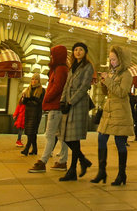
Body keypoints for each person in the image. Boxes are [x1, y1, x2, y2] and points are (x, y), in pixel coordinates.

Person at [91, 45, 133, 186]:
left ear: (121, 59)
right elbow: (107, 92)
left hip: (120, 112)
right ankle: (101, 171)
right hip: (109, 111)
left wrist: (108, 80)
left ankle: (122, 174)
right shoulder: (113, 73)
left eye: (114, 59)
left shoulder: (126, 75)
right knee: (101, 138)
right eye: (110, 59)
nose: (112, 62)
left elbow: (121, 93)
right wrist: (103, 82)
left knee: (120, 143)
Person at [29, 45, 70, 173]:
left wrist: (47, 98)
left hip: (56, 106)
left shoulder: (60, 69)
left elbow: (57, 87)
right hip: (58, 106)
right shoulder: (61, 69)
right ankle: (62, 161)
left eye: (52, 55)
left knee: (50, 134)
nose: (51, 57)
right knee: (61, 135)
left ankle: (43, 161)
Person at [58, 42, 94, 181]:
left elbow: (84, 87)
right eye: (75, 50)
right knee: (65, 136)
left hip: (78, 105)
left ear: (85, 52)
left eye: (81, 50)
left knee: (73, 138)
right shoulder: (72, 66)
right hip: (68, 102)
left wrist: (70, 102)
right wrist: (62, 101)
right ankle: (83, 160)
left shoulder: (88, 67)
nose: (78, 52)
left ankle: (73, 170)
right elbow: (67, 85)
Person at [21, 73, 45, 156]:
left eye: (35, 79)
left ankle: (27, 148)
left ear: (38, 80)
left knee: (31, 130)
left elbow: (40, 102)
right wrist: (25, 98)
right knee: (30, 131)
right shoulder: (28, 89)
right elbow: (24, 102)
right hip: (28, 112)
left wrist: (31, 99)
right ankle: (34, 149)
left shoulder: (42, 90)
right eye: (32, 79)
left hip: (36, 113)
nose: (33, 81)